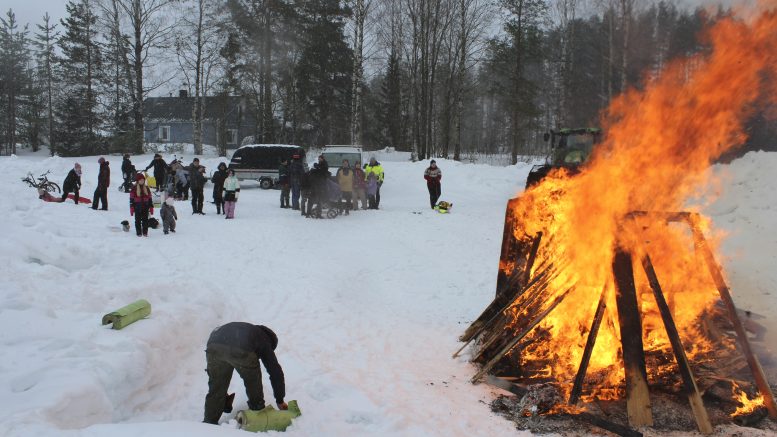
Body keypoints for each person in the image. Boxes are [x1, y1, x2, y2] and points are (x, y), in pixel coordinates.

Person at [203, 322, 287, 425]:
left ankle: (209, 422)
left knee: (216, 386)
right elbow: (275, 371)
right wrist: (280, 400)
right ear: (271, 341)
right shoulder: (264, 339)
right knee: (253, 379)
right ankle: (258, 412)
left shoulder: (248, 330)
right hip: (240, 348)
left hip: (213, 345)